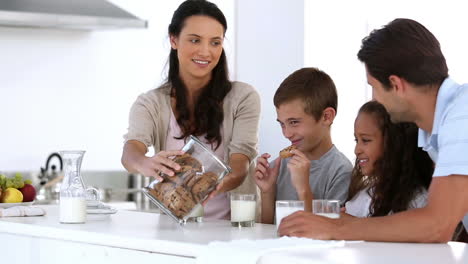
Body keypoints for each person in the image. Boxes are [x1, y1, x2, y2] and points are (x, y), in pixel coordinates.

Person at [279, 18, 468, 243]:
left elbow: (437, 226)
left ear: (396, 85)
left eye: (374, 87)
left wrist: (336, 228)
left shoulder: (461, 116)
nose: (374, 99)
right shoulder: (438, 128)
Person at [121, 0, 260, 220]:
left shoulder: (243, 97)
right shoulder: (150, 103)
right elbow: (130, 153)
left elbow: (239, 167)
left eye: (215, 42)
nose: (205, 52)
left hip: (233, 231)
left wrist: (207, 187)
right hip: (175, 232)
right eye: (195, 40)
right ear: (174, 40)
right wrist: (145, 162)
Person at [254, 67, 352, 224]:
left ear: (326, 117)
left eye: (294, 122)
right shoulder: (279, 167)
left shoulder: (341, 171)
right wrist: (267, 192)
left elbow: (330, 230)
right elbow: (268, 229)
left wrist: (304, 189)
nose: (286, 134)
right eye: (282, 124)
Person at [345, 101, 433, 218]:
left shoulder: (418, 202)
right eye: (357, 140)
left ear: (392, 143)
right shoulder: (368, 193)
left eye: (365, 140)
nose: (357, 150)